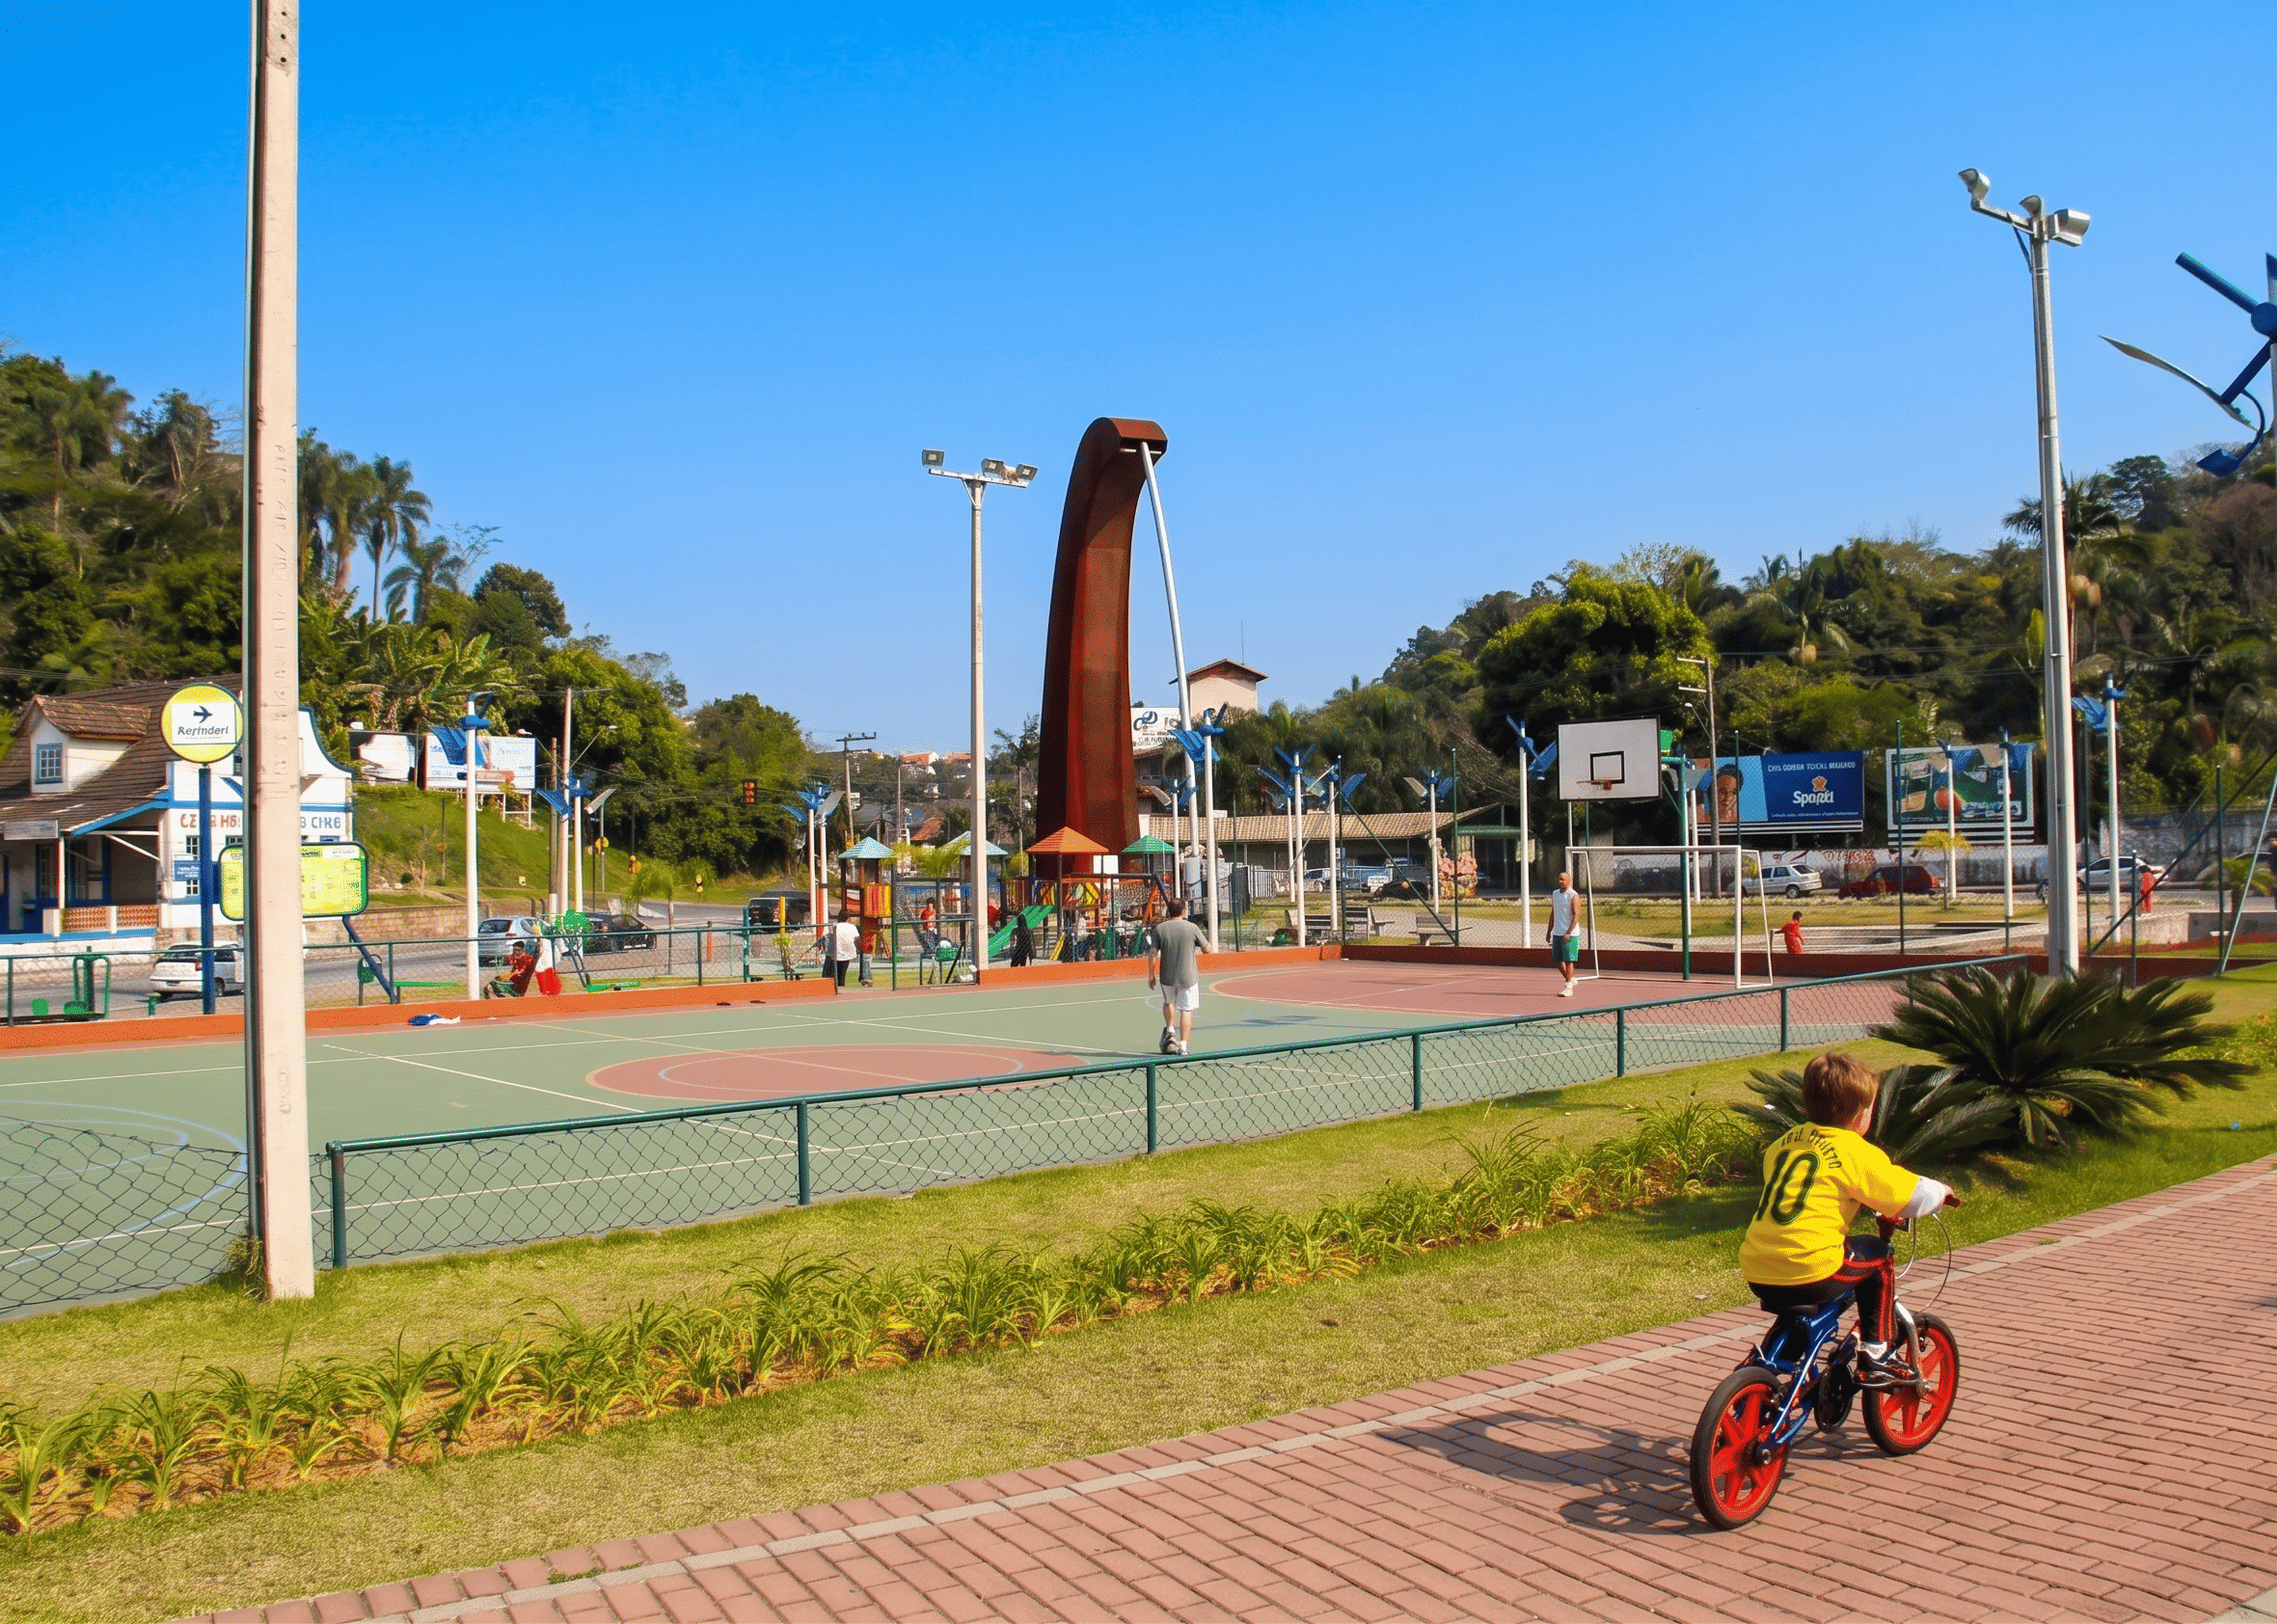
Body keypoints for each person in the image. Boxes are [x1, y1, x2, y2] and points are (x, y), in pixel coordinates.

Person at [1740, 1051, 1961, 1373]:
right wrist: (1941, 1194)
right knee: (1879, 1256)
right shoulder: (1854, 1151)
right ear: (1861, 1115)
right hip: (1811, 1265)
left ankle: (1766, 1367)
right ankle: (1876, 1350)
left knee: (1813, 1288)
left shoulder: (1783, 1144)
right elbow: (1900, 1191)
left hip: (1758, 1265)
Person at [1147, 897, 1207, 1055]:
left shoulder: (1159, 929)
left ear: (1168, 912)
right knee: (1186, 1010)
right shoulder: (1192, 927)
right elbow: (1207, 949)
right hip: (1188, 976)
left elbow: (1152, 953)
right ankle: (1183, 1047)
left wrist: (1150, 974)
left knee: (1168, 1002)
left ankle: (1171, 1031)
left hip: (1167, 976)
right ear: (1184, 911)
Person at [1547, 870, 1581, 997]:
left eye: (1563, 879)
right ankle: (1570, 979)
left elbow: (1577, 915)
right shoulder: (1555, 894)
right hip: (1557, 932)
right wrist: (1549, 931)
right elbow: (1553, 913)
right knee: (1557, 960)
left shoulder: (1573, 895)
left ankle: (1568, 987)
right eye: (1559, 879)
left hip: (1570, 934)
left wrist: (1568, 932)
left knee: (1568, 960)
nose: (1561, 881)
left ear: (1569, 880)